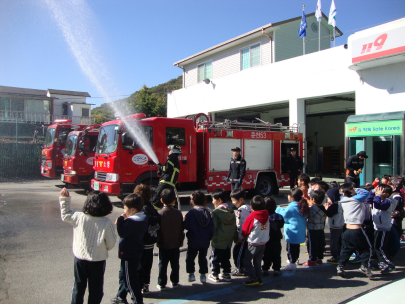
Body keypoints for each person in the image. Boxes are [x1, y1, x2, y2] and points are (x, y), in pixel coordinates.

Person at [59, 188, 116, 304]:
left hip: (80, 258)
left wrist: (65, 199)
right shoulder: (106, 223)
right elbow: (111, 244)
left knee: (78, 287)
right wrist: (102, 248)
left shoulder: (78, 216)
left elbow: (65, 215)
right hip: (98, 260)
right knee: (96, 290)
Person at [113, 194, 148, 304]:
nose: (124, 210)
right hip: (136, 252)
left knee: (130, 280)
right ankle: (121, 296)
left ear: (132, 210)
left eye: (125, 208)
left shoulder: (131, 223)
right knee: (124, 275)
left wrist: (120, 220)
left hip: (129, 254)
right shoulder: (143, 218)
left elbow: (122, 233)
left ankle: (137, 300)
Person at [336, 183, 372, 279]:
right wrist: (355, 188)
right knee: (367, 249)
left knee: (346, 249)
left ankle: (340, 266)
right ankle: (364, 266)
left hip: (347, 229)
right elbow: (366, 192)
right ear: (351, 191)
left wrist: (349, 190)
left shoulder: (343, 200)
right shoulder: (356, 199)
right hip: (357, 229)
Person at [156, 188, 184, 290]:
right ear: (174, 200)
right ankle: (175, 282)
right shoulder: (178, 213)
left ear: (161, 200)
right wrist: (181, 241)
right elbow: (181, 228)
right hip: (176, 243)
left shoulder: (159, 213)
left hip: (163, 244)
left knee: (162, 265)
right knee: (175, 264)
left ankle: (162, 283)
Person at [135, 184, 160, 296]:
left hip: (141, 243)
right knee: (148, 266)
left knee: (140, 267)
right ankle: (146, 285)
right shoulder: (153, 209)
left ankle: (139, 287)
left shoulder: (141, 211)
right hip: (151, 242)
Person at [184, 191, 214, 284]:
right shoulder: (208, 213)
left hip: (193, 240)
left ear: (192, 201)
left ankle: (191, 273)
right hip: (204, 241)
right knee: (203, 258)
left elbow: (186, 226)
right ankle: (203, 275)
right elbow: (211, 227)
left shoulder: (191, 213)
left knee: (190, 257)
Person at [276, 188, 309, 271]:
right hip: (299, 232)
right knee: (296, 248)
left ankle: (292, 263)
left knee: (290, 249)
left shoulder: (291, 207)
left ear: (292, 198)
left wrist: (278, 208)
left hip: (292, 233)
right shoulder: (301, 206)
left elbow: (284, 215)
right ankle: (295, 260)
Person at [209, 189, 237, 283]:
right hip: (228, 241)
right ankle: (226, 273)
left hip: (218, 240)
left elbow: (213, 227)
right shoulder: (231, 211)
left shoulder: (215, 213)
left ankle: (215, 274)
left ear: (219, 200)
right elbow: (234, 226)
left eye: (213, 199)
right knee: (226, 258)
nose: (212, 202)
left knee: (215, 258)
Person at [368, 184, 397, 274]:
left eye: (382, 191)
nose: (379, 193)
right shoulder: (379, 198)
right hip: (378, 227)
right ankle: (383, 263)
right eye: (378, 190)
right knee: (377, 246)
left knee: (380, 247)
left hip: (384, 228)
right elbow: (369, 200)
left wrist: (378, 195)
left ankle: (388, 264)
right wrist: (373, 192)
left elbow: (377, 205)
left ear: (387, 194)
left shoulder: (389, 201)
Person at [242, 196, 269, 286]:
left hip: (253, 243)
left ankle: (253, 277)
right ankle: (259, 278)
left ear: (251, 207)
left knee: (246, 261)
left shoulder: (252, 217)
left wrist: (243, 235)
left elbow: (245, 230)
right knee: (257, 261)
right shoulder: (266, 215)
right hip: (263, 242)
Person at [151, 145, 182, 210]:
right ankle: (173, 213)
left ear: (173, 150)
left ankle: (153, 214)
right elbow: (170, 170)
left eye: (169, 150)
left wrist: (160, 167)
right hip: (170, 183)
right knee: (169, 201)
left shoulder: (172, 157)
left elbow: (167, 168)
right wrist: (162, 173)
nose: (169, 152)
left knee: (156, 200)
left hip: (165, 183)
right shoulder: (176, 159)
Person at [230, 188, 251, 276]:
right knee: (244, 253)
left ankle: (240, 268)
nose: (233, 203)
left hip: (243, 236)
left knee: (237, 253)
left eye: (234, 201)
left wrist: (239, 237)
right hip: (249, 235)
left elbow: (240, 225)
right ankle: (244, 267)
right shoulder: (249, 208)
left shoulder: (240, 211)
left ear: (241, 199)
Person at [303, 190, 327, 267]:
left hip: (312, 229)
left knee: (312, 245)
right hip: (321, 229)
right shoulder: (323, 208)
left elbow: (305, 216)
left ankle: (312, 260)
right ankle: (319, 259)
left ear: (313, 199)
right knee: (320, 244)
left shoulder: (311, 209)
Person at [262, 197, 284, 277]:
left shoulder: (264, 217)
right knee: (277, 255)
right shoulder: (279, 216)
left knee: (266, 255)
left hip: (267, 239)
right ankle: (276, 269)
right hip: (276, 239)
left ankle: (265, 269)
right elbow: (281, 224)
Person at [324, 182, 345, 265]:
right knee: (339, 241)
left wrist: (326, 208)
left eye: (328, 197)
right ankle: (339, 255)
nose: (328, 199)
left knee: (334, 242)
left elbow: (329, 213)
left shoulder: (334, 205)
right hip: (340, 225)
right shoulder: (339, 203)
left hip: (335, 225)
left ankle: (335, 257)